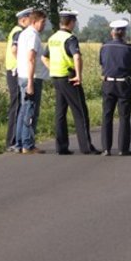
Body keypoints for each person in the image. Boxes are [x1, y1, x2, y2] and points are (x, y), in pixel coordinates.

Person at [44, 11, 100, 155]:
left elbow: (44, 58)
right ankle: (86, 147)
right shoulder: (70, 38)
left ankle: (61, 147)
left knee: (60, 113)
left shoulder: (53, 38)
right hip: (69, 77)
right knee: (80, 112)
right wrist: (79, 75)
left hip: (56, 77)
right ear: (71, 22)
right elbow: (76, 56)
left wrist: (53, 69)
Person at [99, 19, 131, 156]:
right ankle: (123, 148)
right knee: (124, 117)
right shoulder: (128, 48)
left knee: (107, 116)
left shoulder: (104, 47)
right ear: (124, 33)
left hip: (108, 83)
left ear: (112, 33)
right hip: (123, 84)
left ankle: (106, 148)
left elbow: (101, 62)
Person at [15, 9, 50, 154]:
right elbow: (31, 58)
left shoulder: (24, 34)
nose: (44, 25)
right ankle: (28, 145)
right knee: (30, 111)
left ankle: (19, 143)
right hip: (32, 78)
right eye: (42, 22)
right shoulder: (33, 36)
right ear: (35, 21)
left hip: (23, 75)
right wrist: (30, 82)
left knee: (23, 111)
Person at [5, 7, 32, 151]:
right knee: (16, 107)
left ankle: (16, 140)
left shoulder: (16, 30)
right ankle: (12, 142)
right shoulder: (19, 32)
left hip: (14, 70)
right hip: (15, 71)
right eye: (30, 18)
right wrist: (22, 63)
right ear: (23, 19)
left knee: (18, 106)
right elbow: (14, 50)